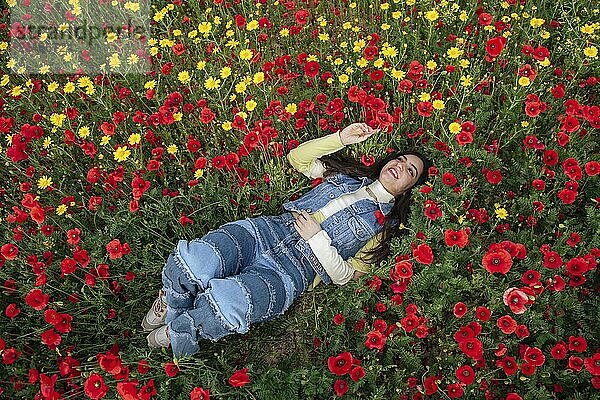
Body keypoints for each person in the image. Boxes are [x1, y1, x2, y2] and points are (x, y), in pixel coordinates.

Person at [141, 122, 432, 359]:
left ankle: (179, 330)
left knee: (230, 302)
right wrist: (341, 137)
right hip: (270, 230)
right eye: (401, 159)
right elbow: (298, 159)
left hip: (296, 271)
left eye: (410, 171)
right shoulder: (348, 175)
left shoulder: (384, 227)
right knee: (198, 259)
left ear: (410, 188)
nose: (400, 166)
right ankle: (172, 303)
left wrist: (318, 240)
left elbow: (347, 275)